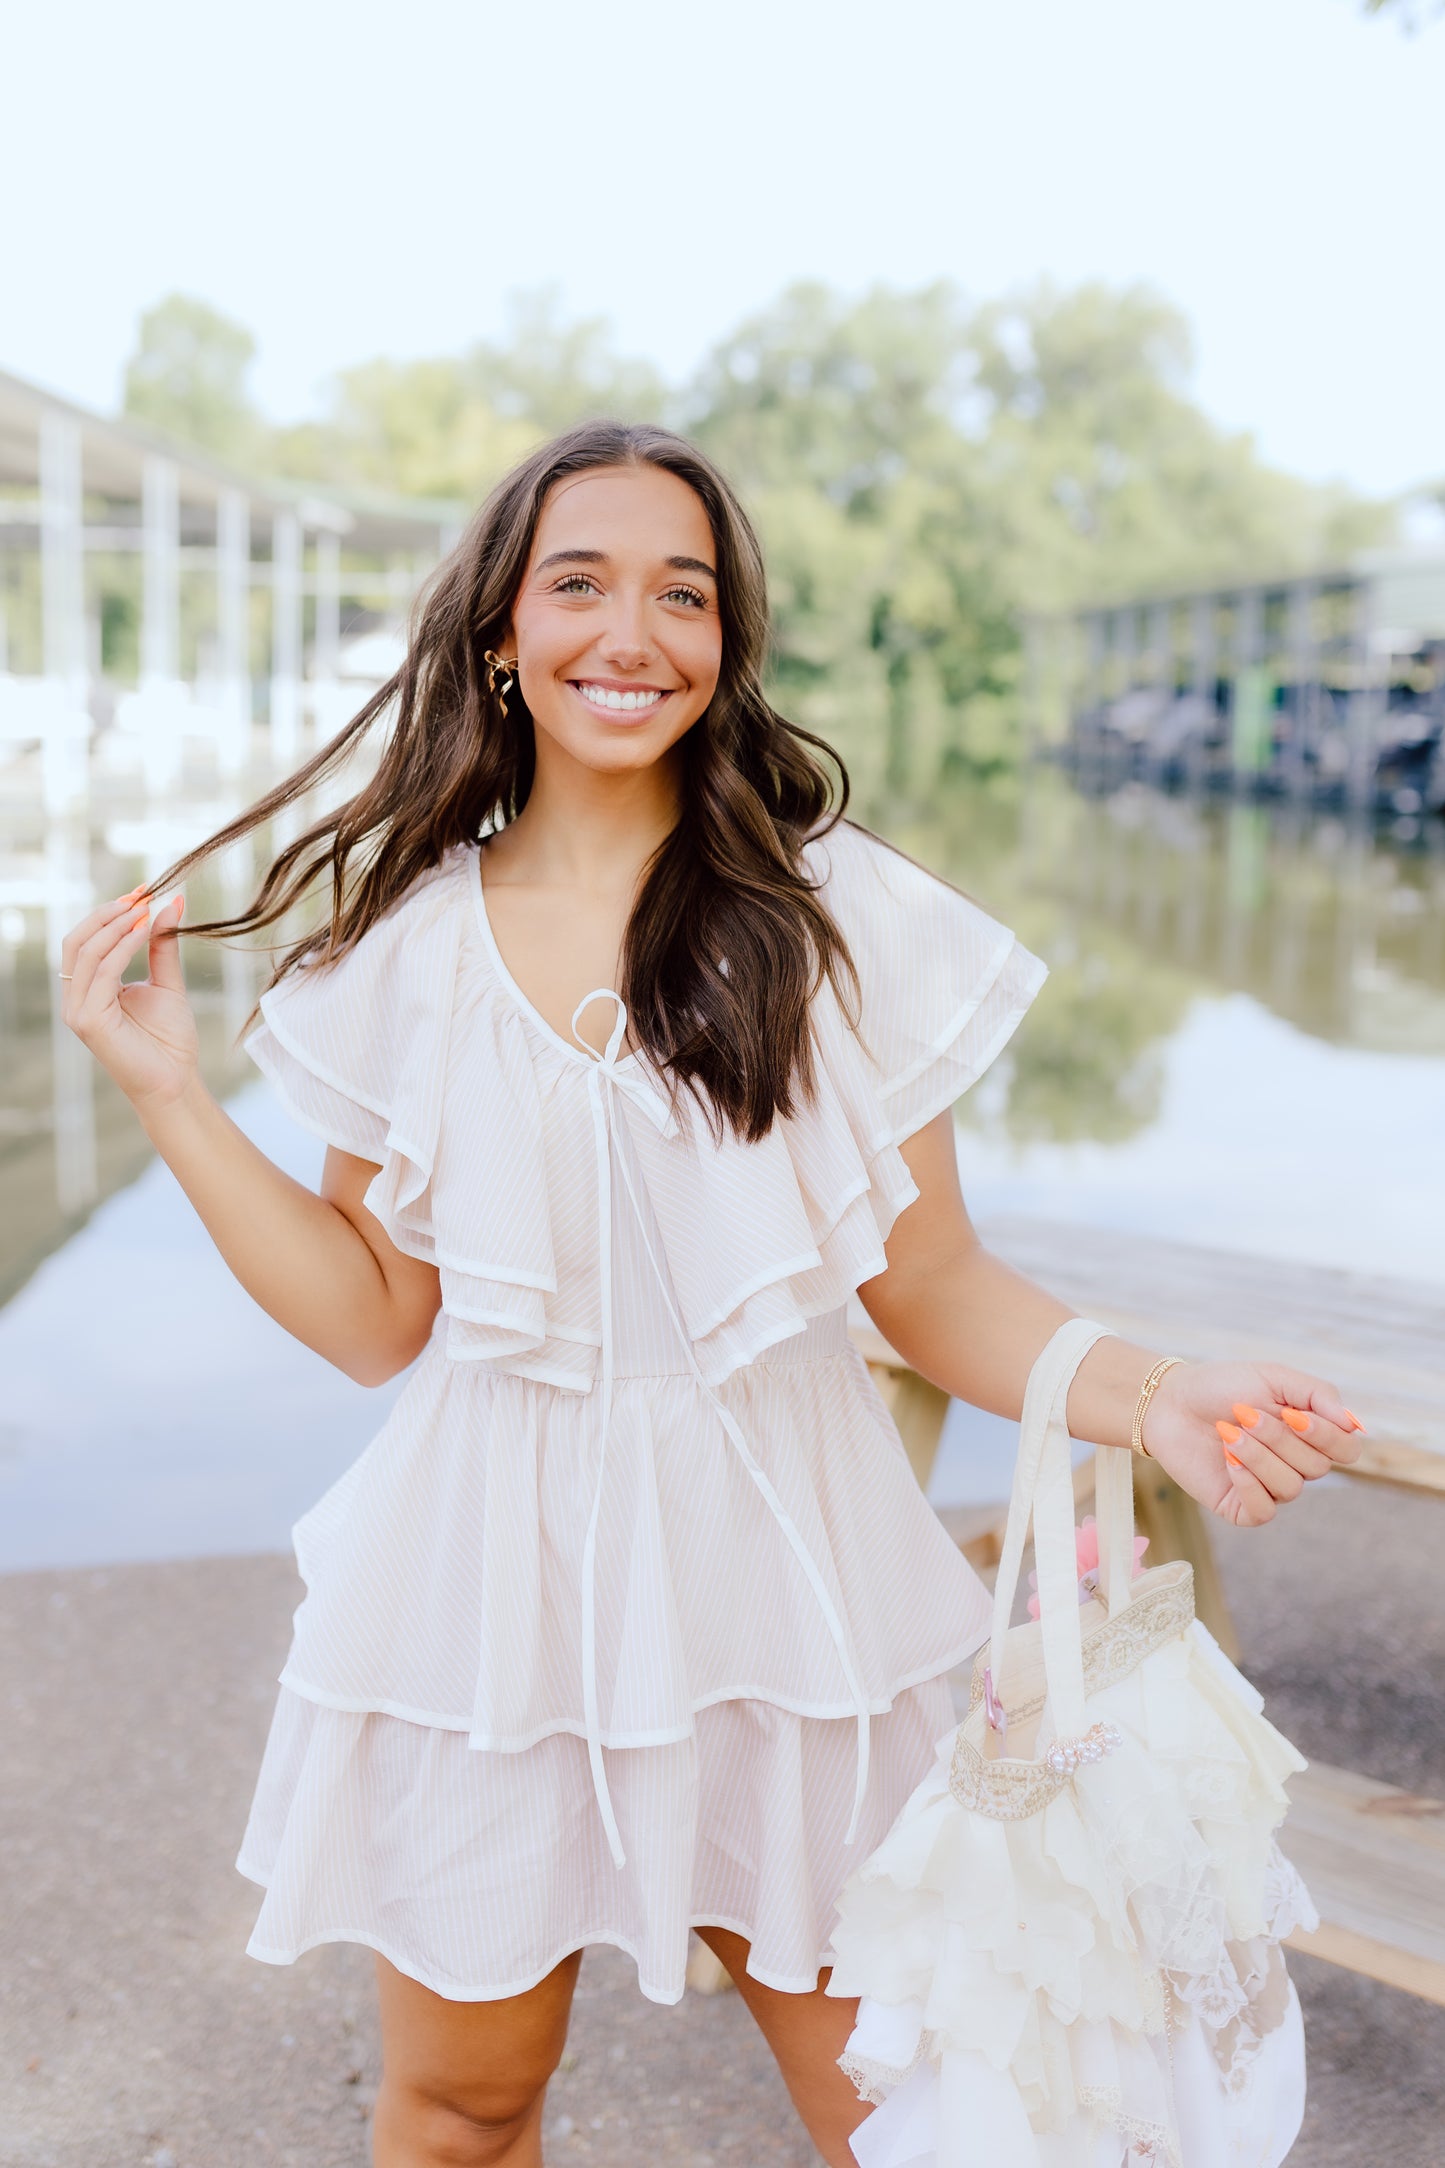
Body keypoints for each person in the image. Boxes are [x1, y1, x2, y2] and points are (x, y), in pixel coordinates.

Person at [60, 423, 1362, 2168]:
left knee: (922, 2114)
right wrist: (166, 1094)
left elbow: (934, 1285)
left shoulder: (832, 922)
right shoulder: (408, 951)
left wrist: (1161, 1395)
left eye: (683, 592)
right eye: (578, 583)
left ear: (728, 643)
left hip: (794, 1586)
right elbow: (378, 1317)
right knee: (458, 2112)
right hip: (484, 1601)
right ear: (497, 636)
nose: (632, 631)